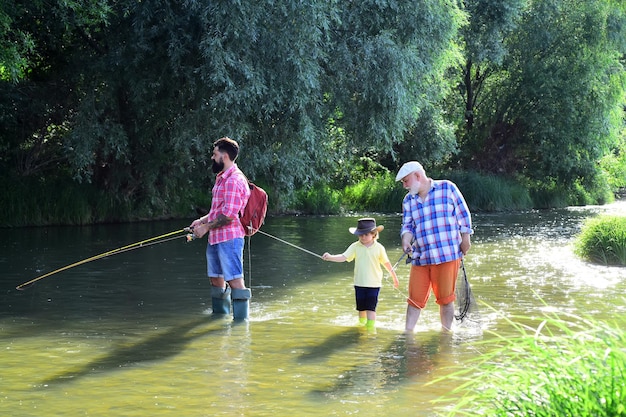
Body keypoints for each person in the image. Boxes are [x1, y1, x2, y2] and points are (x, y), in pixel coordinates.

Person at [395, 161, 473, 333]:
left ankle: (446, 334)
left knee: (446, 300)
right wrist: (406, 240)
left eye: (405, 181)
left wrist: (465, 239)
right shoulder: (408, 200)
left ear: (417, 176)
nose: (404, 185)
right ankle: (408, 334)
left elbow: (463, 214)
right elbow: (407, 226)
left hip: (447, 255)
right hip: (420, 257)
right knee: (414, 299)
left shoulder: (447, 188)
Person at [189, 137, 251, 320]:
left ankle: (241, 324)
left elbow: (230, 215)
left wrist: (206, 228)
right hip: (216, 238)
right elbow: (218, 211)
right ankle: (219, 319)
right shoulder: (221, 178)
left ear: (224, 157)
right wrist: (201, 221)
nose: (212, 157)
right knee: (216, 279)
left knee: (234, 279)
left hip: (230, 239)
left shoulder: (234, 180)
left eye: (214, 154)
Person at [322, 218, 399, 330]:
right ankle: (361, 326)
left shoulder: (379, 248)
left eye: (366, 234)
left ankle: (370, 328)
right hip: (359, 283)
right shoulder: (355, 246)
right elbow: (343, 257)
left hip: (374, 284)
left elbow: (386, 263)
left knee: (371, 309)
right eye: (360, 235)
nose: (363, 237)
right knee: (361, 308)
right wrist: (330, 257)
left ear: (374, 234)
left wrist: (394, 277)